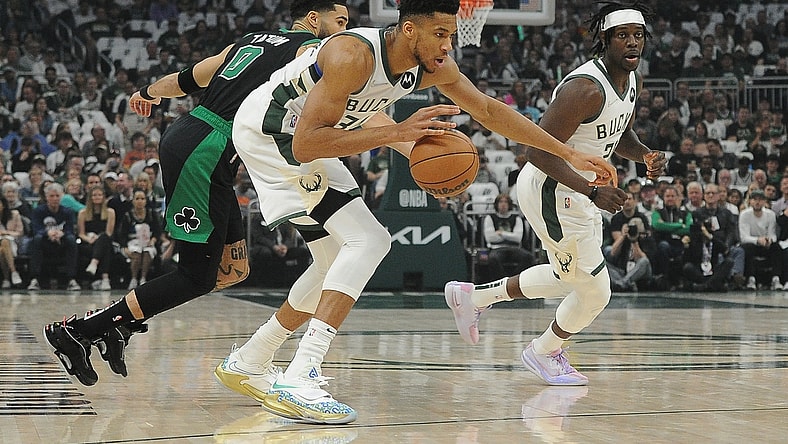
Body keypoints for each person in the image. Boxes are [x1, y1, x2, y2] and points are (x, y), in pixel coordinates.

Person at [224, 0, 615, 424]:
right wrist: (396, 132)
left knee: (332, 261)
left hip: (305, 138)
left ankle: (251, 359)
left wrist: (565, 150)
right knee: (368, 240)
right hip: (272, 134)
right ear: (409, 30)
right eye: (441, 35)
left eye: (451, 34)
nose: (448, 45)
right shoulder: (352, 55)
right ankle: (301, 376)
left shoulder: (430, 64)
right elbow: (306, 144)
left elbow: (486, 109)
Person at [42, 0, 351, 388]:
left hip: (200, 141)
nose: (343, 30)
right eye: (338, 21)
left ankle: (117, 325)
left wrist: (149, 91)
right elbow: (323, 69)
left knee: (233, 268)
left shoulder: (250, 41)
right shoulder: (311, 49)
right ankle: (84, 330)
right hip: (205, 149)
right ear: (312, 19)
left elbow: (189, 78)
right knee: (196, 276)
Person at [444, 1, 665, 387]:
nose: (632, 43)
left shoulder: (633, 80)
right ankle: (542, 351)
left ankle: (474, 299)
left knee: (572, 279)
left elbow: (616, 134)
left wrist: (643, 153)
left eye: (638, 36)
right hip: (554, 187)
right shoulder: (584, 89)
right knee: (594, 290)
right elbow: (538, 151)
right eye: (623, 36)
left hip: (578, 189)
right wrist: (593, 192)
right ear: (605, 39)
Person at [26, 183, 80, 291]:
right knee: (37, 239)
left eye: (57, 196)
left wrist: (62, 233)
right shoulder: (39, 211)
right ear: (46, 197)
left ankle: (71, 279)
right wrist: (48, 233)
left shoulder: (67, 212)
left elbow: (70, 229)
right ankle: (34, 279)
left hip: (62, 241)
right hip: (45, 241)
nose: (55, 198)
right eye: (51, 196)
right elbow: (36, 228)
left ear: (61, 197)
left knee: (71, 240)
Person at [115, 188, 163, 290]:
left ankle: (143, 278)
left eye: (142, 198)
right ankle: (133, 279)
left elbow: (157, 231)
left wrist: (153, 240)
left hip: (148, 242)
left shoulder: (151, 214)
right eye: (137, 198)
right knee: (136, 253)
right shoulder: (127, 216)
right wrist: (124, 247)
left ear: (146, 200)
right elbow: (122, 234)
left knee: (147, 252)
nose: (140, 201)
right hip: (133, 242)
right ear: (133, 200)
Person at [481, 193, 533, 281]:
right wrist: (510, 235)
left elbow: (518, 238)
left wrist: (500, 233)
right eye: (501, 202)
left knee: (529, 257)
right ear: (496, 204)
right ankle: (502, 281)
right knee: (493, 258)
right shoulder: (490, 218)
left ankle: (514, 279)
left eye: (506, 202)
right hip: (496, 248)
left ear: (509, 205)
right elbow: (489, 238)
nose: (503, 204)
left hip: (514, 248)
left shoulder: (516, 218)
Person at [78, 185, 115, 291]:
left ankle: (94, 264)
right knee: (103, 247)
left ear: (104, 197)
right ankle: (105, 278)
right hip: (88, 242)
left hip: (103, 240)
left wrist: (97, 238)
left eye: (99, 195)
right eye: (94, 195)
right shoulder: (83, 213)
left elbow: (109, 232)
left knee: (104, 240)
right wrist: (89, 239)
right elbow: (81, 233)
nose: (97, 197)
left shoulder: (110, 212)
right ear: (90, 197)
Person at [0, 195, 24, 288]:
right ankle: (13, 273)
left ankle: (7, 278)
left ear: (3, 205)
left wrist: (5, 232)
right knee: (1, 250)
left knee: (5, 242)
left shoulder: (14, 214)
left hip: (12, 243)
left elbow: (20, 232)